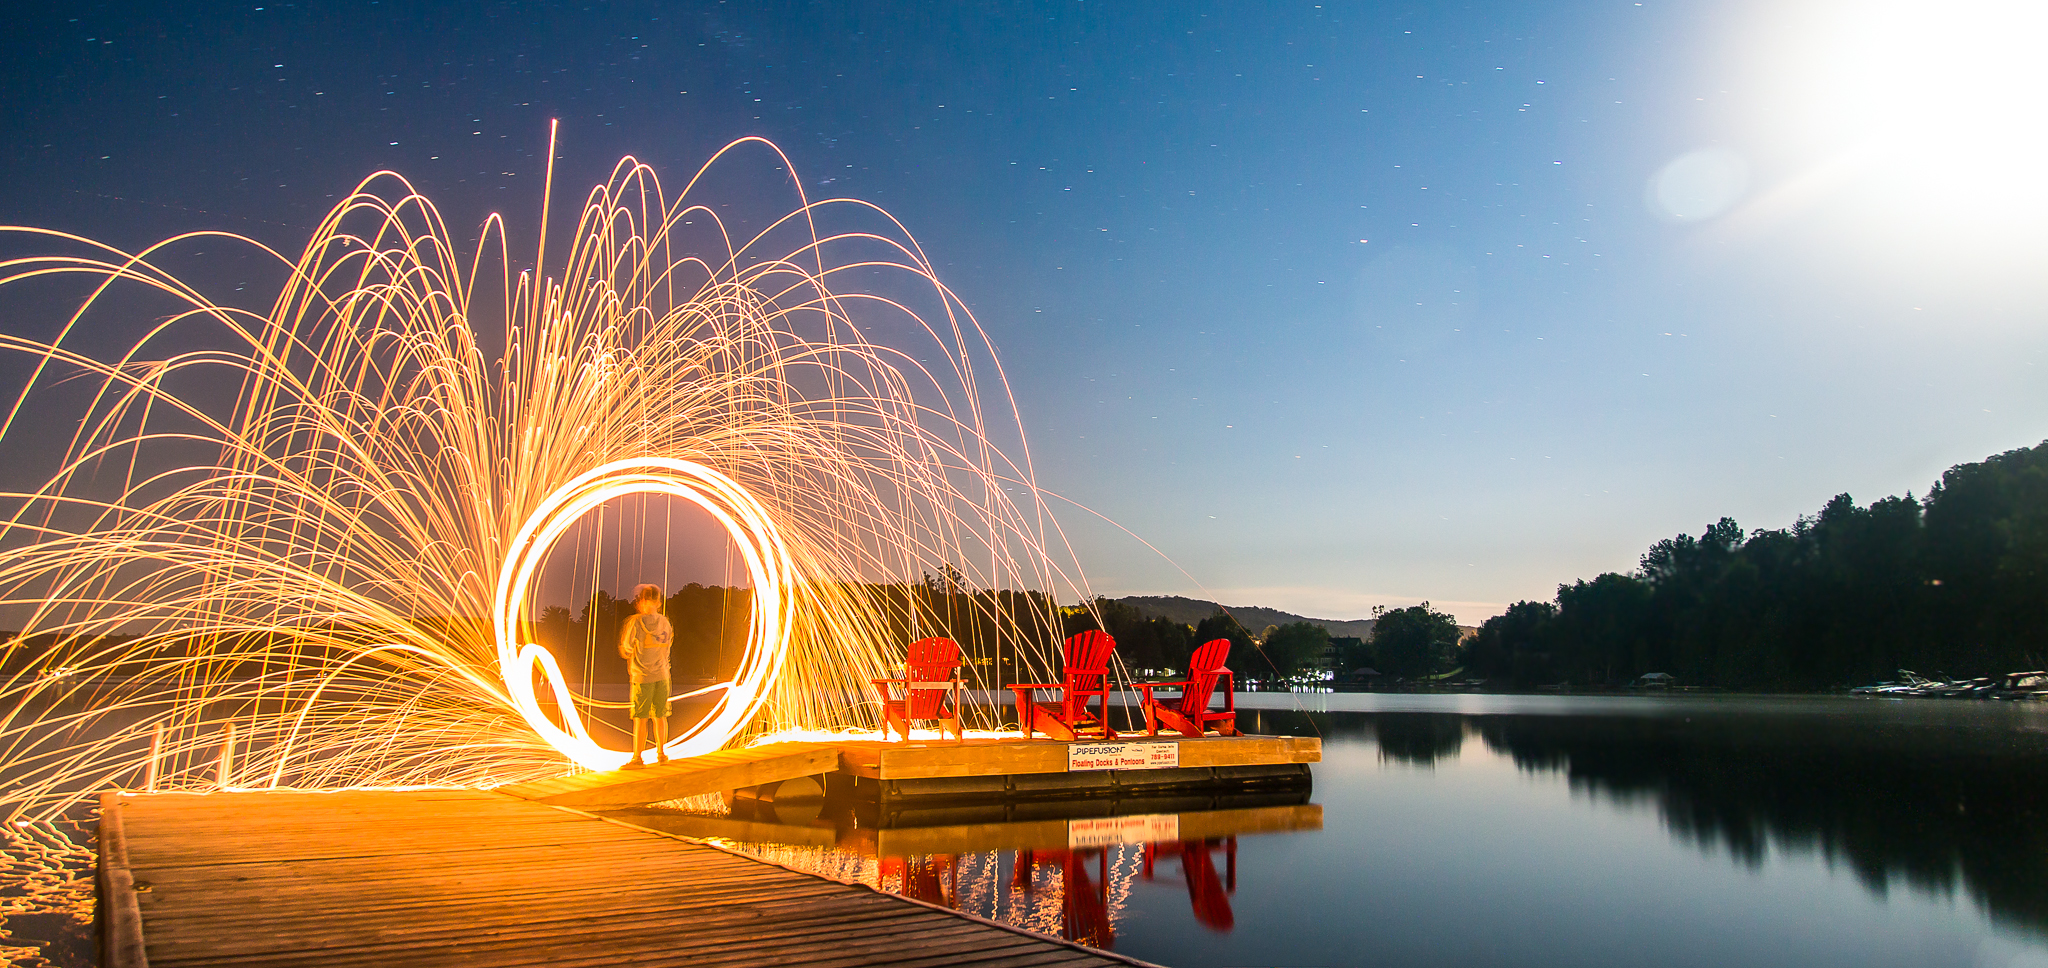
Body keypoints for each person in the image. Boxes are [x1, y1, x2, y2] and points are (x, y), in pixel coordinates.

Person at [618, 583, 673, 769]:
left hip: (642, 676)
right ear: (658, 602)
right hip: (663, 675)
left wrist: (629, 652)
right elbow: (668, 644)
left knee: (640, 718)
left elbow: (625, 648)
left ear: (641, 602)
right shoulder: (665, 622)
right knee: (660, 716)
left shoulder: (635, 622)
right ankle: (661, 754)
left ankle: (637, 758)